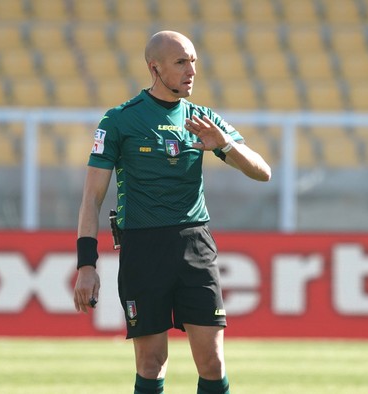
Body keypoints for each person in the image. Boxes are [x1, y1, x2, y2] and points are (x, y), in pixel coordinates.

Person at [73, 30, 271, 394]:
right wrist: (87, 265)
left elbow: (262, 171)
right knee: (151, 363)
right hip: (143, 248)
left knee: (212, 362)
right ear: (155, 67)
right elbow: (92, 197)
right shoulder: (119, 120)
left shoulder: (202, 118)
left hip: (195, 244)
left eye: (193, 61)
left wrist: (224, 145)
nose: (191, 70)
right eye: (181, 62)